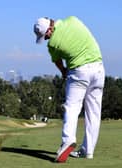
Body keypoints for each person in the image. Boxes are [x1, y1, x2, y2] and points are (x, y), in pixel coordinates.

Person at [33, 16, 105, 163]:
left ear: (49, 30)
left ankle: (68, 141)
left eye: (45, 36)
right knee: (94, 112)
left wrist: (64, 72)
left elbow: (58, 62)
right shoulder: (73, 20)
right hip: (99, 69)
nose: (46, 39)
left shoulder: (53, 44)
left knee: (71, 107)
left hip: (79, 71)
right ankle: (88, 151)